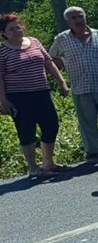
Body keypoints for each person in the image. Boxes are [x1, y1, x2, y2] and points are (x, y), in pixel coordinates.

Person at [48, 6, 98, 164]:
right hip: (80, 87)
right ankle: (93, 153)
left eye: (80, 16)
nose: (78, 20)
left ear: (85, 17)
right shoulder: (61, 39)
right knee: (87, 122)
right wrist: (63, 68)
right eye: (74, 18)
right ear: (68, 21)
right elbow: (50, 58)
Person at [0, 13, 71, 178]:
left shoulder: (34, 42)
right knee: (26, 130)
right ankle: (33, 167)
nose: (16, 31)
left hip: (42, 92)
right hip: (19, 97)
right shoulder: (2, 50)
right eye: (11, 29)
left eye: (18, 27)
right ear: (4, 33)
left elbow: (49, 62)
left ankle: (48, 163)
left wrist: (62, 82)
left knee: (51, 124)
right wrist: (3, 100)